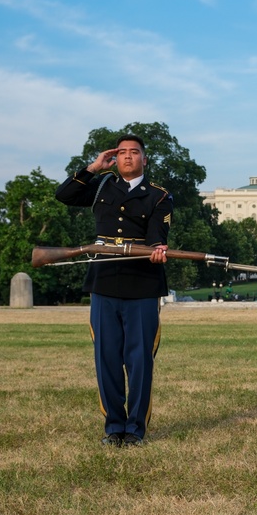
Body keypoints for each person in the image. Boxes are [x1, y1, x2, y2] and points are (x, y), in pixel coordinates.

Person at [55, 134, 173, 447]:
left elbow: (157, 234)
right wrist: (92, 168)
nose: (128, 157)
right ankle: (113, 428)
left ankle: (135, 430)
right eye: (121, 153)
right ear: (114, 159)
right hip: (104, 284)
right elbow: (64, 195)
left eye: (134, 153)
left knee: (139, 363)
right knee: (106, 360)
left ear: (145, 160)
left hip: (142, 286)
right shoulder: (102, 185)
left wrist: (157, 248)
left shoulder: (159, 196)